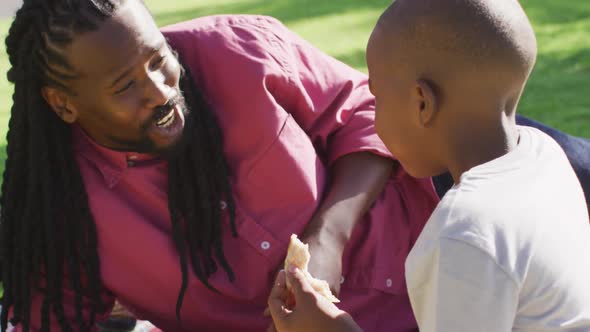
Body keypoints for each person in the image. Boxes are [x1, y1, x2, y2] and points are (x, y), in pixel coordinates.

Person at [0, 1, 587, 332]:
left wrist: (328, 238)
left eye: (160, 58)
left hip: (436, 206)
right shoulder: (58, 208)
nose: (161, 89)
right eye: (127, 85)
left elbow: (367, 109)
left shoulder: (238, 49)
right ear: (63, 104)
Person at [268, 0, 590, 331]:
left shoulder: (465, 233)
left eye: (377, 97)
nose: (373, 119)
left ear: (422, 103)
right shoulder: (544, 155)